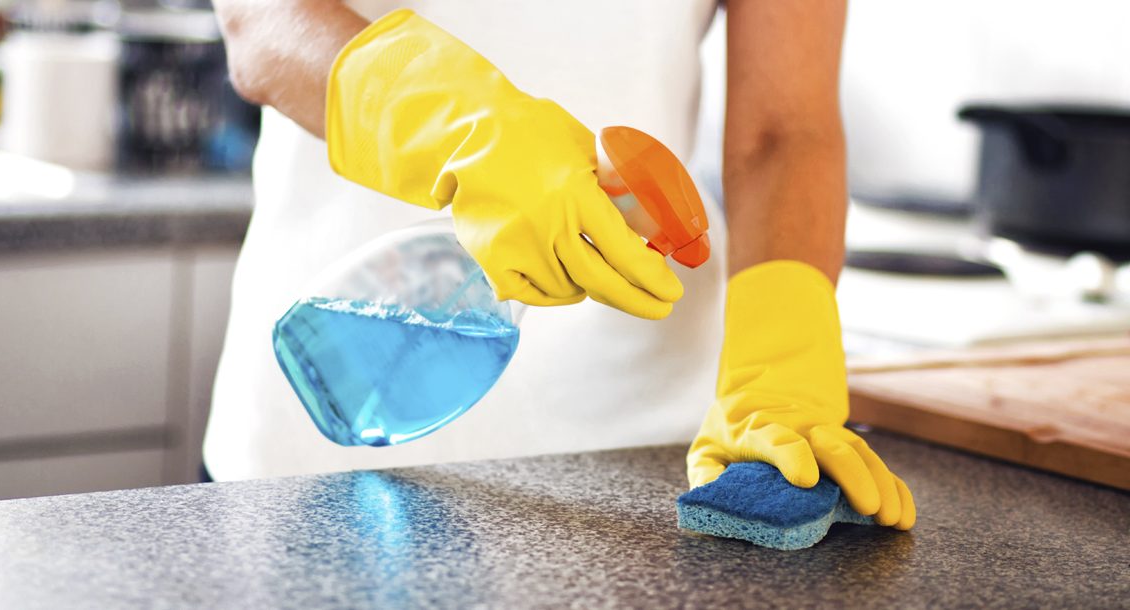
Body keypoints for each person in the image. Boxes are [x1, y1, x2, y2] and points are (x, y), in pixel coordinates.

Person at [206, 0, 915, 530]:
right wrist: (466, 128)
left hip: (633, 460)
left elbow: (785, 130)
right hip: (329, 407)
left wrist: (779, 364)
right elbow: (264, 24)